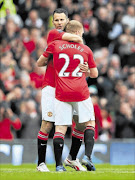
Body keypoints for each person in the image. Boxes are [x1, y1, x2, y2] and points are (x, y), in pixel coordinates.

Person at [39, 20, 98, 171]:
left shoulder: (55, 45)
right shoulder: (85, 49)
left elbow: (40, 62)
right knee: (89, 122)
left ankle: (60, 165)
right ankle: (87, 157)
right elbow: (94, 74)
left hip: (61, 91)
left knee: (60, 128)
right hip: (80, 91)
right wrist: (86, 70)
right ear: (78, 32)